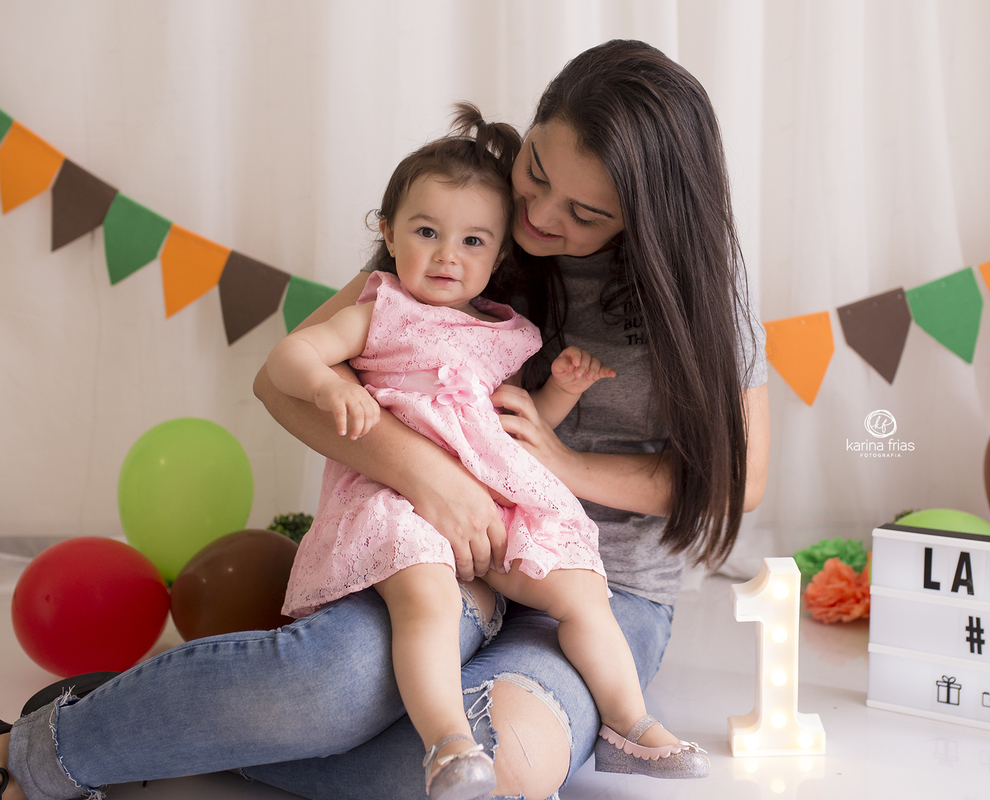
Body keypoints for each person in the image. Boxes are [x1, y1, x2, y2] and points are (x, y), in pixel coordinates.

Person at [0, 39, 769, 800]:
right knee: (328, 688)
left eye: (585, 212)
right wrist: (431, 477)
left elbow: (739, 483)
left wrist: (561, 467)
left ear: (646, 218)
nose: (536, 213)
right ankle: (50, 751)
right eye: (536, 169)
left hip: (600, 584)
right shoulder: (466, 216)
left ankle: (174, 733)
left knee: (506, 764)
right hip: (436, 547)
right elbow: (287, 383)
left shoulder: (699, 294)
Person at [265, 103, 707, 798]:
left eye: (473, 242)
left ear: (499, 255)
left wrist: (557, 397)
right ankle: (449, 743)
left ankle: (630, 725)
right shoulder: (379, 309)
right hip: (403, 501)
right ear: (388, 232)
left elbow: (507, 423)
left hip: (493, 505)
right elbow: (287, 360)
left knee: (583, 594)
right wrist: (327, 386)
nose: (447, 255)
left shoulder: (501, 330)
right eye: (427, 232)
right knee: (428, 601)